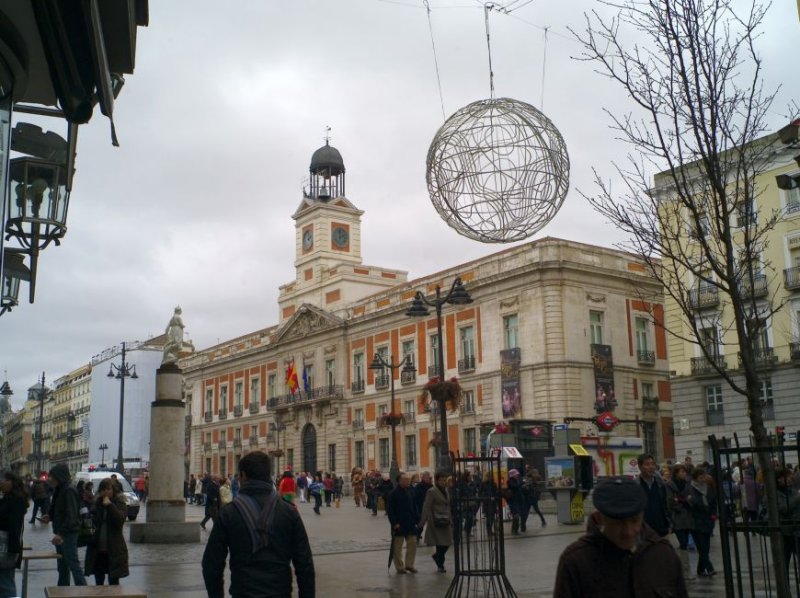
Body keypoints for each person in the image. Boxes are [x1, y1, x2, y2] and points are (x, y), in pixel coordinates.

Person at [202, 451, 314, 598]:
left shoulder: (229, 513)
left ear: (242, 476)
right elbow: (304, 565)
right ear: (268, 475)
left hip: (243, 592)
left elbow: (211, 564)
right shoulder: (289, 512)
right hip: (280, 592)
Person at [554, 477, 688, 597]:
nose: (628, 532)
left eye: (635, 521)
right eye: (618, 523)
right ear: (599, 519)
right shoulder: (576, 562)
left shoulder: (663, 554)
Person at [42, 464, 87, 586]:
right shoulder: (59, 489)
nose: (49, 479)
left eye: (52, 476)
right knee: (62, 567)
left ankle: (84, 591)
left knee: (73, 565)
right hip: (61, 533)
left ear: (59, 476)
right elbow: (58, 509)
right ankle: (62, 591)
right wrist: (49, 516)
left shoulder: (69, 490)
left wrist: (61, 534)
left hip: (68, 534)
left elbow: (71, 516)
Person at [84, 478, 129, 585]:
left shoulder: (120, 503)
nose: (106, 492)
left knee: (113, 582)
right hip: (98, 549)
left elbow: (119, 520)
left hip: (114, 550)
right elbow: (89, 524)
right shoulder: (96, 504)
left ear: (114, 490)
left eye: (109, 489)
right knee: (99, 581)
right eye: (103, 489)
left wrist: (110, 506)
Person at [0, 472, 29, 597]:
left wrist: (12, 551)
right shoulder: (6, 498)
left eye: (5, 480)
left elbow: (14, 527)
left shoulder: (16, 500)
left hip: (6, 547)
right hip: (4, 546)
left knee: (6, 583)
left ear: (13, 482)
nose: (2, 482)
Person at [666, 463, 696, 580]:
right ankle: (684, 570)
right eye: (681, 472)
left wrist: (680, 500)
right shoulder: (670, 485)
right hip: (677, 518)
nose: (684, 474)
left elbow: (692, 498)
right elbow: (670, 502)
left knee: (685, 544)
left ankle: (685, 570)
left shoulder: (688, 484)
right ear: (676, 473)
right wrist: (683, 501)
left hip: (688, 518)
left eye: (685, 472)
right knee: (683, 543)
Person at [419, 471, 453, 573]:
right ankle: (440, 565)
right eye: (442, 480)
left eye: (444, 480)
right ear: (437, 480)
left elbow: (448, 505)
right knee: (440, 544)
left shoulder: (446, 491)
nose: (444, 482)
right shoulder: (432, 491)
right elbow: (426, 506)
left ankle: (437, 556)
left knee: (447, 542)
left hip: (445, 520)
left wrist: (451, 519)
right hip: (436, 520)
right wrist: (422, 521)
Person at [687, 467, 717, 577]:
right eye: (701, 477)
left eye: (704, 476)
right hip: (696, 522)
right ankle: (710, 568)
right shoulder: (690, 489)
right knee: (701, 547)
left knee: (706, 548)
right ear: (695, 478)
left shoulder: (708, 488)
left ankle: (700, 570)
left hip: (708, 521)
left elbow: (714, 502)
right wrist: (691, 500)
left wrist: (713, 516)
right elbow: (691, 504)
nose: (703, 479)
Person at [386, 473, 418, 574]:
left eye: (408, 480)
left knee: (412, 543)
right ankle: (400, 567)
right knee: (397, 547)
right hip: (399, 523)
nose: (408, 482)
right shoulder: (393, 493)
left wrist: (416, 520)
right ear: (399, 481)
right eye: (405, 480)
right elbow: (390, 510)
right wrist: (394, 523)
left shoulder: (410, 491)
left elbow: (414, 506)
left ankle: (409, 565)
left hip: (410, 522)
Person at [637, 453, 672, 537]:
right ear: (640, 467)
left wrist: (669, 523)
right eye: (647, 464)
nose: (651, 467)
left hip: (661, 529)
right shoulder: (636, 486)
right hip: (643, 531)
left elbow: (666, 505)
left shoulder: (660, 484)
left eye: (653, 464)